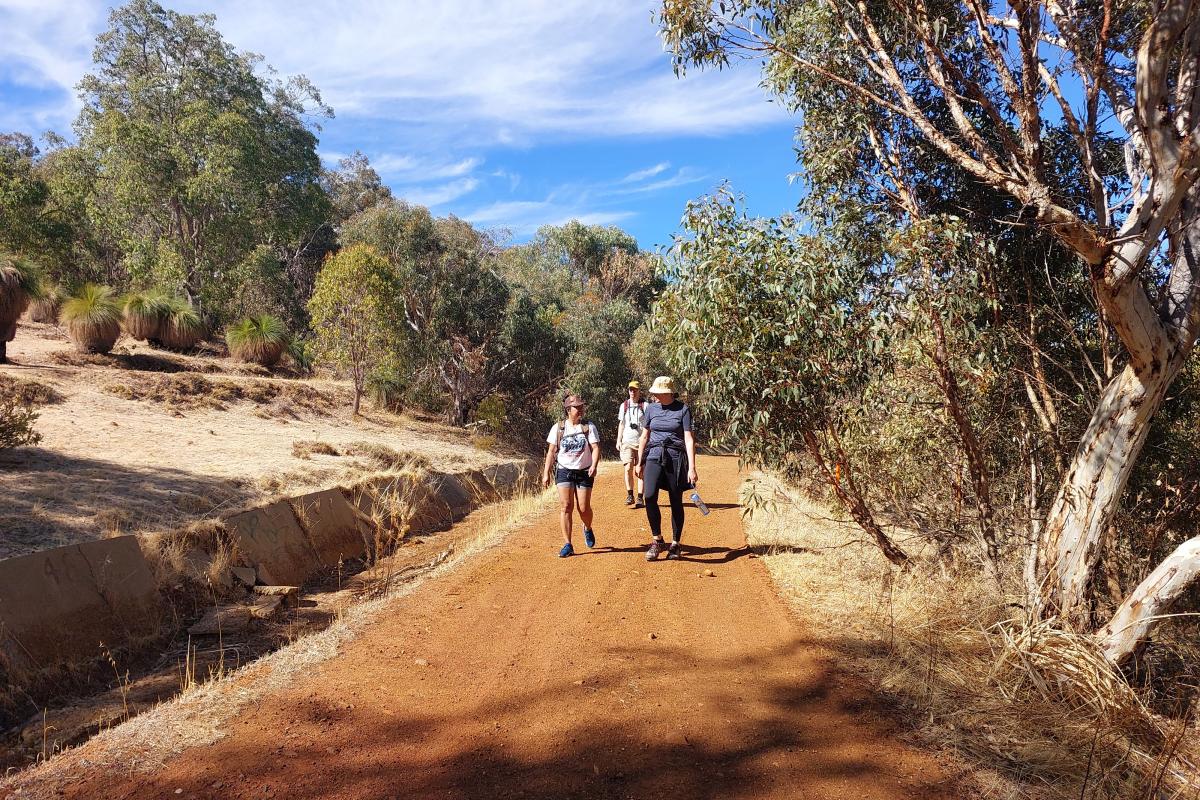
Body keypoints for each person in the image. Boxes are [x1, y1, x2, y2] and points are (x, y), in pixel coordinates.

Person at [635, 376, 698, 561]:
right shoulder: (651, 409)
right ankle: (657, 540)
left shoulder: (683, 410)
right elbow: (644, 436)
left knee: (675, 499)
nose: (655, 394)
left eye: (658, 392)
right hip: (654, 455)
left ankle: (676, 544)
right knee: (649, 495)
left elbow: (689, 439)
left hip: (676, 457)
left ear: (668, 393)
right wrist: (639, 462)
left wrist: (692, 468)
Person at [542, 393, 601, 557]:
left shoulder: (588, 427)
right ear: (568, 409)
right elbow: (551, 451)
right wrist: (546, 473)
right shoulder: (558, 428)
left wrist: (594, 465)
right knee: (566, 506)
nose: (581, 409)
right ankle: (568, 544)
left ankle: (587, 527)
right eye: (577, 407)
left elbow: (595, 448)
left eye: (582, 406)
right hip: (564, 471)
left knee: (583, 508)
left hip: (584, 472)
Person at [616, 380, 647, 508]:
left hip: (641, 443)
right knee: (628, 467)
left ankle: (640, 498)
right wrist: (618, 440)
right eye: (630, 390)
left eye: (635, 390)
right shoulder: (624, 406)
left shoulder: (645, 406)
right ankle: (630, 495)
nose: (632, 392)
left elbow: (649, 425)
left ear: (639, 391)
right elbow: (621, 424)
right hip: (627, 442)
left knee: (640, 470)